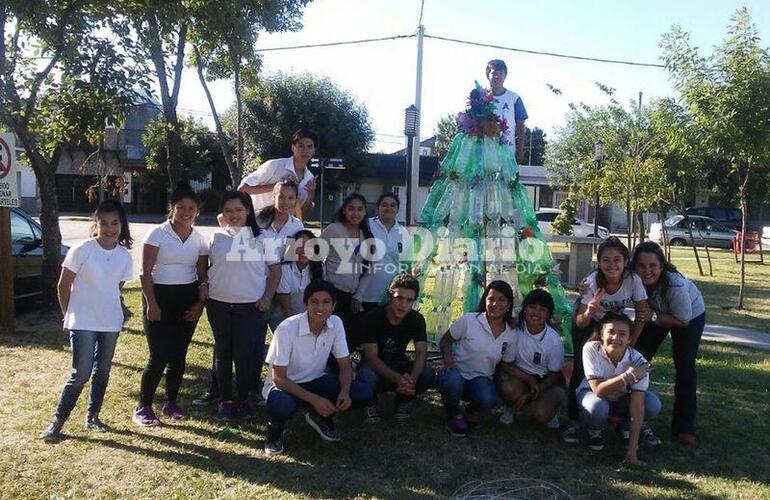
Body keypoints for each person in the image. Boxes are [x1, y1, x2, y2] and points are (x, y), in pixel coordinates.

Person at [39, 201, 134, 442]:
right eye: (104, 223)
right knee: (81, 373)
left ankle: (93, 416)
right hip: (82, 321)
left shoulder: (124, 256)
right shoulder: (82, 250)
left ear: (122, 225)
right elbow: (63, 285)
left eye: (115, 223)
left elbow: (116, 287)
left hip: (110, 322)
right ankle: (57, 421)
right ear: (96, 224)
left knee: (102, 371)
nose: (109, 228)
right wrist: (68, 315)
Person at [261, 280, 375, 455]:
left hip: (316, 380)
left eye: (326, 302)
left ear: (334, 305)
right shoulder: (287, 328)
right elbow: (279, 378)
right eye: (314, 302)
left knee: (362, 393)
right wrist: (315, 400)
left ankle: (319, 415)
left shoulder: (335, 323)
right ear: (305, 304)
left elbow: (345, 366)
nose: (320, 307)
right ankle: (274, 434)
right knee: (281, 405)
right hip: (285, 386)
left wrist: (344, 391)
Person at [562, 236, 653, 444]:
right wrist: (590, 311)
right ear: (599, 261)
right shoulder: (593, 281)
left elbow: (642, 313)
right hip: (590, 326)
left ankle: (622, 417)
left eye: (617, 259)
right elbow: (580, 322)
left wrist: (632, 341)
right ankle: (575, 421)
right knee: (580, 371)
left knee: (623, 367)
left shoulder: (633, 279)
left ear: (625, 261)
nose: (611, 265)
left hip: (616, 328)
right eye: (606, 260)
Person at [133, 190, 209, 427]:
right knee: (158, 355)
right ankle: (143, 406)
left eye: (191, 209)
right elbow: (145, 273)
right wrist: (152, 304)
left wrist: (199, 305)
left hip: (186, 298)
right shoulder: (157, 233)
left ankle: (170, 401)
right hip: (159, 298)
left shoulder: (199, 239)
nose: (186, 213)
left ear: (197, 212)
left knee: (179, 354)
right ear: (172, 208)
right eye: (181, 207)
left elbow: (203, 277)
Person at [204, 191, 281, 421]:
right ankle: (226, 400)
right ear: (222, 213)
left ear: (248, 210)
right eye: (228, 210)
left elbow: (275, 272)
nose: (233, 214)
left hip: (250, 306)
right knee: (223, 353)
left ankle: (246, 398)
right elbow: (207, 268)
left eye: (238, 210)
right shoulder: (216, 238)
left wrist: (267, 297)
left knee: (244, 355)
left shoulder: (264, 239)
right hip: (218, 304)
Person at [632, 241, 705, 446]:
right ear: (634, 266)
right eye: (641, 265)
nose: (647, 271)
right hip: (656, 313)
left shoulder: (675, 284)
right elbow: (607, 276)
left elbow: (683, 320)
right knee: (638, 356)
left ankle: (685, 427)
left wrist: (654, 317)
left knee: (684, 365)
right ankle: (623, 410)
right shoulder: (631, 278)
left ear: (662, 266)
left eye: (653, 266)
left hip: (688, 315)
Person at [577, 312, 662, 464]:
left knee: (652, 404)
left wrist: (632, 453)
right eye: (610, 332)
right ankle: (594, 430)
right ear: (601, 335)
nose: (615, 338)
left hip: (622, 399)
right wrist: (628, 376)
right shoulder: (590, 348)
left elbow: (637, 406)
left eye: (622, 334)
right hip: (592, 396)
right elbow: (598, 390)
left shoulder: (639, 361)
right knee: (597, 407)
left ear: (630, 339)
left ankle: (625, 428)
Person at [436, 281, 517, 437]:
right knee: (453, 381)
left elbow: (507, 363)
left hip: (481, 379)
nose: (495, 304)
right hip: (456, 373)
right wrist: (448, 361)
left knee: (488, 398)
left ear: (509, 305)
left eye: (501, 300)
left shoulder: (511, 333)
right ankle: (453, 413)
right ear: (484, 300)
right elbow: (445, 340)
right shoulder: (469, 320)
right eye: (491, 298)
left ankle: (472, 411)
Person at [356, 273, 433, 423]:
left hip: (399, 364)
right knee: (366, 375)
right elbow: (371, 358)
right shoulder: (372, 317)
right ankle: (369, 404)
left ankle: (404, 401)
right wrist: (398, 379)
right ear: (390, 295)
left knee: (427, 372)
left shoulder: (416, 319)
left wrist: (411, 380)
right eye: (399, 297)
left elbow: (422, 352)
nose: (403, 304)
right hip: (374, 368)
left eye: (409, 300)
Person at [498, 289, 565, 430]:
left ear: (548, 315)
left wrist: (530, 394)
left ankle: (551, 413)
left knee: (540, 414)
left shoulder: (554, 340)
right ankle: (509, 407)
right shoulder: (515, 329)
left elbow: (554, 376)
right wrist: (529, 379)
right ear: (525, 309)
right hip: (520, 376)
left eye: (542, 310)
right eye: (532, 307)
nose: (536, 313)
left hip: (546, 381)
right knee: (510, 389)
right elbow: (507, 365)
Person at [320, 192, 373, 349]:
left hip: (352, 299)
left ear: (365, 212)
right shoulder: (333, 230)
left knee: (350, 339)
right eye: (351, 209)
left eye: (360, 209)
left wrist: (358, 296)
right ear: (344, 210)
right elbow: (317, 258)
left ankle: (344, 369)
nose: (355, 213)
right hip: (332, 294)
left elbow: (369, 270)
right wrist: (325, 286)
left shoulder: (367, 236)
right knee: (329, 337)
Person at [238, 129, 318, 219]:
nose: (305, 150)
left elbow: (300, 216)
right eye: (301, 146)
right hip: (258, 223)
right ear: (293, 148)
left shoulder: (310, 178)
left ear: (314, 150)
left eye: (309, 147)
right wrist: (278, 186)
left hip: (285, 229)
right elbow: (243, 189)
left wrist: (311, 194)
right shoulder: (274, 166)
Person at [353, 192, 409, 312]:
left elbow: (403, 263)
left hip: (389, 296)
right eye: (384, 205)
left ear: (397, 209)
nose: (388, 208)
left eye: (393, 205)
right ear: (377, 208)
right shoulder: (366, 225)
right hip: (364, 294)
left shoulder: (403, 232)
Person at [486, 59, 528, 164]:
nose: (497, 77)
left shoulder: (514, 98)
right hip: (484, 154)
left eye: (500, 73)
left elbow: (520, 125)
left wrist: (520, 150)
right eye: (494, 73)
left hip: (507, 154)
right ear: (488, 75)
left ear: (505, 76)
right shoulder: (481, 98)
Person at [276, 229, 324, 319]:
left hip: (311, 319)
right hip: (284, 319)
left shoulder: (321, 268)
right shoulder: (284, 269)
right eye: (300, 246)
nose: (304, 250)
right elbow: (285, 306)